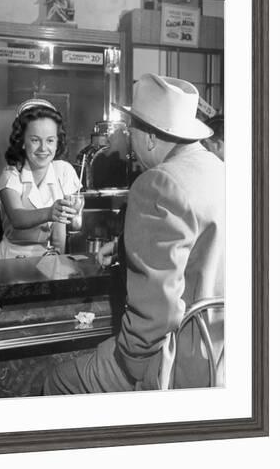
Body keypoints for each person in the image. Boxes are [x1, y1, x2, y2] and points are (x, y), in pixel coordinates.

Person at [44, 73, 225, 394]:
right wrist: (127, 245)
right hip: (223, 359)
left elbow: (157, 313)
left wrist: (129, 366)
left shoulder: (158, 182)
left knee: (58, 381)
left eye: (131, 131)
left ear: (151, 138)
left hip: (178, 366)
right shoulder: (220, 170)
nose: (128, 140)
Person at [0, 99, 81, 259]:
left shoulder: (63, 171)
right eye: (35, 140)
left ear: (57, 143)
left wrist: (58, 260)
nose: (43, 148)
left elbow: (58, 233)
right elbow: (17, 218)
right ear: (22, 142)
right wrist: (50, 212)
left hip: (45, 257)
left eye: (50, 140)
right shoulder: (11, 175)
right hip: (10, 259)